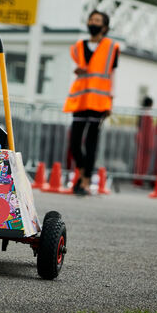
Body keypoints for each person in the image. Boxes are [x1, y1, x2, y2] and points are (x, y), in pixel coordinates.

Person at [63, 10, 120, 195]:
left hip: (99, 101)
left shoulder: (112, 47)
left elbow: (112, 75)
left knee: (91, 143)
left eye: (97, 20)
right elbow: (80, 68)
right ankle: (81, 173)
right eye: (91, 19)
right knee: (74, 142)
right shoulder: (79, 45)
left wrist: (111, 100)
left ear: (104, 27)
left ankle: (86, 179)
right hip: (80, 99)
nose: (92, 22)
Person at [133, 96, 154, 186]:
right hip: (145, 140)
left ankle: (139, 179)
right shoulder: (146, 114)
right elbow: (147, 130)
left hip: (142, 139)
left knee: (140, 160)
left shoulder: (142, 113)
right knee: (142, 161)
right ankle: (139, 180)